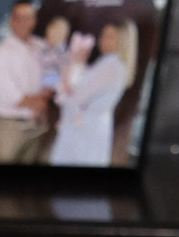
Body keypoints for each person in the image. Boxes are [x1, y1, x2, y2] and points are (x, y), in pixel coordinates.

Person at [0, 0, 56, 164]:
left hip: (38, 126)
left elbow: (53, 77)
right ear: (11, 21)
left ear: (34, 21)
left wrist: (44, 99)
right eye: (17, 18)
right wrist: (40, 103)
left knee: (32, 188)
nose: (22, 23)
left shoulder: (43, 47)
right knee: (3, 187)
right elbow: (13, 97)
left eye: (27, 18)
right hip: (10, 128)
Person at [53, 17, 136, 167]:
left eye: (111, 37)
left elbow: (77, 97)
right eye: (103, 35)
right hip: (87, 126)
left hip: (86, 128)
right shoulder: (107, 63)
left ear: (123, 41)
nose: (104, 40)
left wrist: (69, 104)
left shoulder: (112, 66)